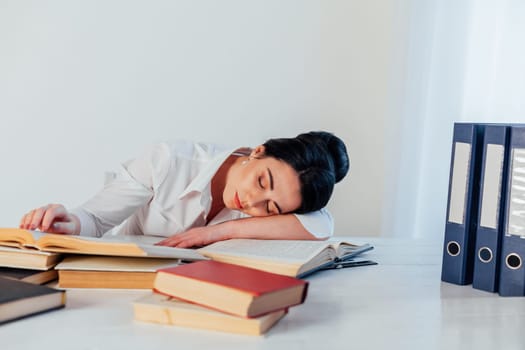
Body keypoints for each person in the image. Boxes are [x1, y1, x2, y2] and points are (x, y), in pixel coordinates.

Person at [19, 131, 349, 248]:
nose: (252, 202)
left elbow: (321, 225)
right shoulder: (170, 160)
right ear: (258, 151)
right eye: (263, 182)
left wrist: (218, 232)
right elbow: (94, 218)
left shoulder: (255, 209)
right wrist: (69, 222)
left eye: (271, 208)